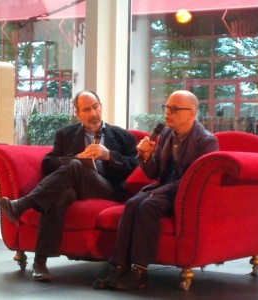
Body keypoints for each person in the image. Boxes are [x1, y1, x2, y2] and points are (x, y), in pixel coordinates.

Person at [0, 90, 138, 282]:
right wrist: (77, 159)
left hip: (105, 189)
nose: (93, 113)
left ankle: (23, 204)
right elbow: (48, 163)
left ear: (101, 106)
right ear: (78, 113)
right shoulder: (65, 134)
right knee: (59, 196)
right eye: (86, 110)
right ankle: (40, 263)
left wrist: (109, 156)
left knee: (73, 165)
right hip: (72, 187)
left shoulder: (123, 136)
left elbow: (135, 167)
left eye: (96, 107)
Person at [93, 90, 219, 291]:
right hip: (162, 189)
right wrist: (145, 156)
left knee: (148, 205)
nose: (167, 112)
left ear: (192, 114)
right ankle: (119, 267)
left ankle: (140, 272)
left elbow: (196, 180)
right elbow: (153, 173)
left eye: (174, 109)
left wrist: (158, 191)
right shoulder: (167, 133)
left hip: (184, 194)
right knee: (133, 203)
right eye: (167, 107)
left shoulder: (206, 141)